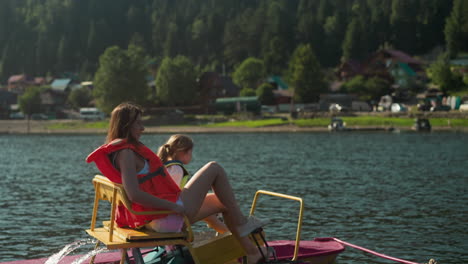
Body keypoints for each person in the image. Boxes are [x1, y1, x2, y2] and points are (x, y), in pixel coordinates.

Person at [86, 102, 268, 263]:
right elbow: (134, 194)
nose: (142, 128)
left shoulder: (120, 151)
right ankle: (244, 226)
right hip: (163, 217)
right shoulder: (125, 153)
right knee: (214, 168)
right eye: (138, 123)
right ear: (126, 125)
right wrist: (173, 207)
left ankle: (251, 252)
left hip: (156, 216)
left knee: (222, 201)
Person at [157, 134, 229, 234]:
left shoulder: (164, 166)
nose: (191, 155)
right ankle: (236, 233)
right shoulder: (176, 170)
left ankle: (225, 232)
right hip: (170, 218)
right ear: (183, 152)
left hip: (162, 216)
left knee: (211, 209)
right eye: (190, 152)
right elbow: (170, 197)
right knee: (221, 201)